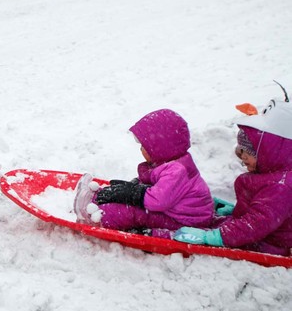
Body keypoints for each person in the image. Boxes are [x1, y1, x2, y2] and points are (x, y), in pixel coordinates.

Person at [174, 98, 292, 256]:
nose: (243, 157)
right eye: (242, 150)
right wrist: (237, 210)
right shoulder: (274, 175)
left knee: (197, 228)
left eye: (249, 153)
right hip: (259, 237)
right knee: (198, 217)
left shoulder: (281, 186)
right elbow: (261, 212)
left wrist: (213, 237)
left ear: (272, 153)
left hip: (264, 245)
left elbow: (255, 225)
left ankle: (154, 234)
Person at [74, 109, 214, 235]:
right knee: (125, 196)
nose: (141, 149)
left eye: (144, 146)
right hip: (176, 211)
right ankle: (93, 198)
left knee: (132, 212)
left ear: (160, 147)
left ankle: (96, 217)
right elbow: (157, 185)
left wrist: (133, 193)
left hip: (184, 221)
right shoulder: (171, 161)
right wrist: (133, 187)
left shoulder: (176, 171)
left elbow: (157, 201)